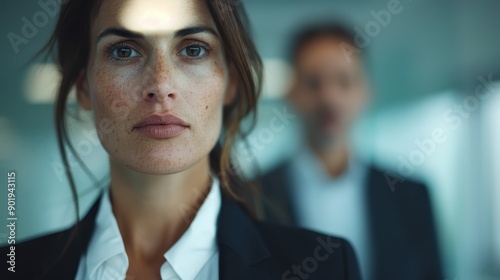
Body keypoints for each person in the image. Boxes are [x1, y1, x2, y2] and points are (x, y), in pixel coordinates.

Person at [0, 1, 362, 279]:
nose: (161, 85)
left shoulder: (323, 267)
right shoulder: (13, 269)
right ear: (83, 86)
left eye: (193, 49)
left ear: (231, 82)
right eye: (124, 50)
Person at [259, 23, 443, 280]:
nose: (329, 98)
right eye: (313, 83)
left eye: (344, 81)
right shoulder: (252, 197)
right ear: (292, 93)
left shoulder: (411, 197)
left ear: (366, 92)